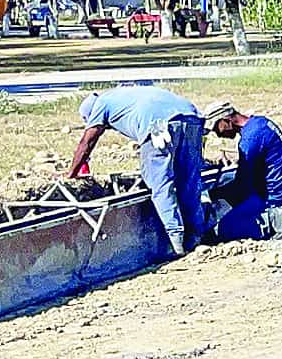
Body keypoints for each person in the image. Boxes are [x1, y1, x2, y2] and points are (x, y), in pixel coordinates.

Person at [70, 85, 208, 255]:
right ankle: (196, 236)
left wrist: (72, 174)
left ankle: (176, 243)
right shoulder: (122, 95)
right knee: (189, 180)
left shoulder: (100, 105)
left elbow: (87, 141)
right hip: (191, 117)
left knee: (160, 182)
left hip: (159, 125)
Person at [202, 101, 282, 241]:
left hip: (276, 201)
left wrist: (210, 195)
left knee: (223, 229)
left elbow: (241, 184)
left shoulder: (250, 138)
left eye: (217, 128)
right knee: (232, 188)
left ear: (226, 121)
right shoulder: (260, 122)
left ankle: (272, 225)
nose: (217, 134)